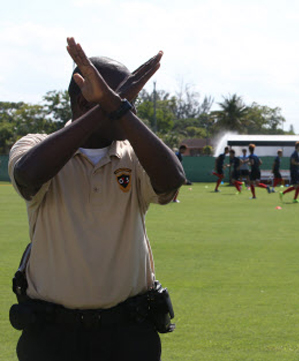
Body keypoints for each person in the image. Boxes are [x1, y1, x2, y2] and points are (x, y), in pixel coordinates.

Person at [7, 37, 185, 361]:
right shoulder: (36, 145)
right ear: (82, 102)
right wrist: (107, 107)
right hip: (51, 336)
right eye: (121, 100)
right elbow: (28, 176)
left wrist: (113, 106)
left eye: (129, 100)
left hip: (129, 333)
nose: (127, 107)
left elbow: (173, 179)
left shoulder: (133, 155)